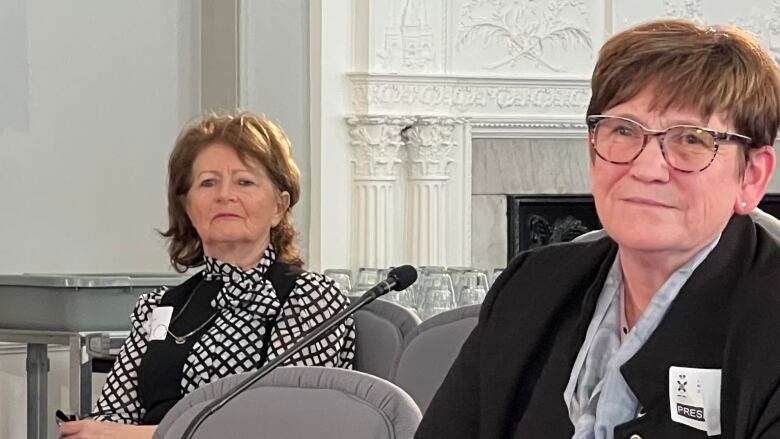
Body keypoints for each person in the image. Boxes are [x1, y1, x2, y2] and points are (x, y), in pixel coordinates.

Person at [416, 19, 780, 439]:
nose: (646, 167)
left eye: (691, 139)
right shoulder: (530, 288)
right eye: (624, 130)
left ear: (752, 176)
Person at [59, 113, 356, 439]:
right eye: (208, 182)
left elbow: (276, 425)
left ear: (278, 207)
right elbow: (112, 416)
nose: (224, 195)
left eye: (244, 182)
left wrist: (130, 437)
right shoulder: (159, 307)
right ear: (187, 207)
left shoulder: (311, 297)